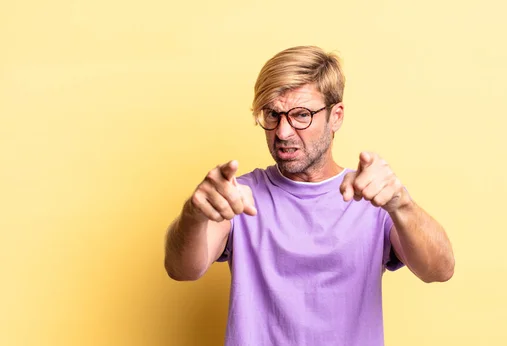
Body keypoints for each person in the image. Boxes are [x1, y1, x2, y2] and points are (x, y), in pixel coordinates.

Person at [163, 45, 455, 346]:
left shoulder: (374, 194)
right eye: (272, 115)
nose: (283, 131)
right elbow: (181, 269)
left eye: (301, 115)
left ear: (336, 116)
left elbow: (440, 270)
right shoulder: (240, 197)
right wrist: (193, 214)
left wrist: (402, 205)